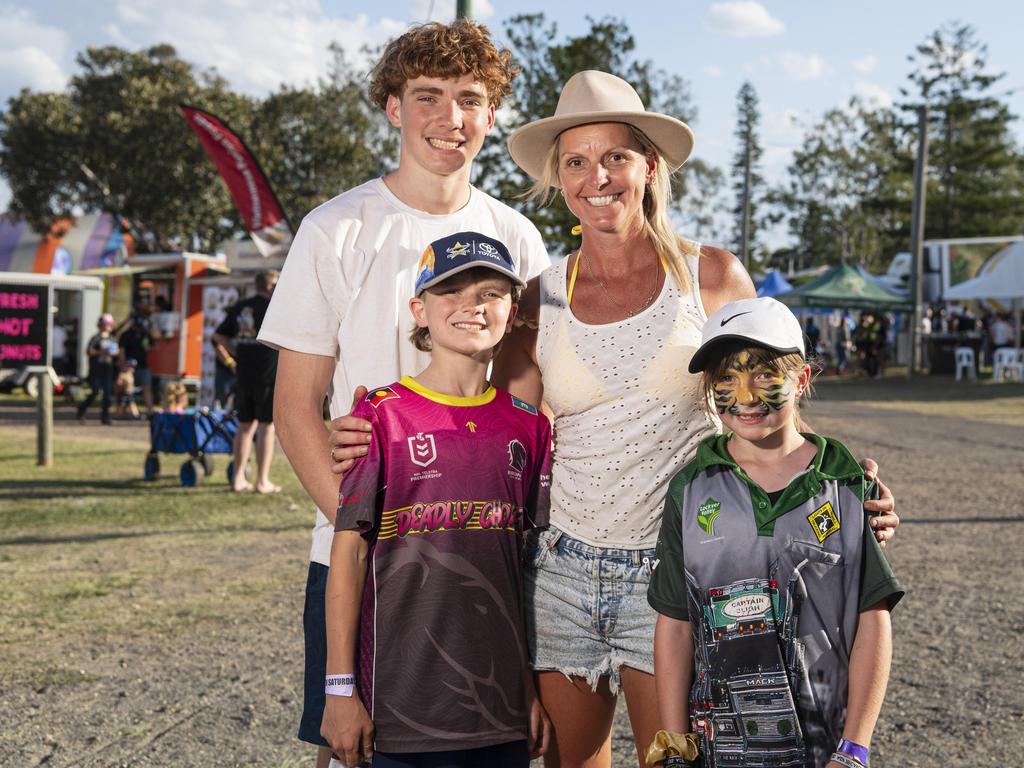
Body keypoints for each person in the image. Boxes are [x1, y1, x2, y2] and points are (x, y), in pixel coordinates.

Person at [331, 71, 899, 768]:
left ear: (649, 166)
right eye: (575, 162)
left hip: (682, 575)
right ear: (559, 180)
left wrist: (836, 484)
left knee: (685, 761)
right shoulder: (541, 298)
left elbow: (764, 402)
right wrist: (378, 430)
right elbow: (491, 422)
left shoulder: (711, 277)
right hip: (562, 574)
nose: (596, 177)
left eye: (615, 158)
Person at [255, 20, 550, 768]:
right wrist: (361, 535)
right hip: (361, 554)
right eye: (428, 97)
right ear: (393, 107)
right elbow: (296, 407)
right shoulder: (336, 229)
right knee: (351, 748)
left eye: (470, 100)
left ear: (491, 115)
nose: (451, 119)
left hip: (479, 554)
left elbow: (524, 401)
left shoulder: (516, 238)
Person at [322, 233, 552, 768]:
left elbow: (520, 574)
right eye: (452, 290)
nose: (472, 305)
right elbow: (349, 556)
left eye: (491, 293)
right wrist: (339, 690)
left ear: (512, 313)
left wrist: (528, 689)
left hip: (500, 712)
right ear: (419, 310)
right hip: (400, 708)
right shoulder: (380, 417)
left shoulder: (529, 426)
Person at [647, 297, 902, 768]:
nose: (744, 396)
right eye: (726, 378)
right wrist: (675, 742)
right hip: (718, 750)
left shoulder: (845, 482)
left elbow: (873, 617)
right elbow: (675, 625)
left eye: (765, 374)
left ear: (802, 379)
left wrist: (855, 748)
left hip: (822, 747)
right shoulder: (690, 488)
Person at [213, 270, 280, 494]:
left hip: (243, 373)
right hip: (267, 373)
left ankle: (238, 478)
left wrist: (236, 355)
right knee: (266, 426)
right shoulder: (274, 307)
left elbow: (219, 336)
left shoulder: (241, 306)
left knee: (244, 426)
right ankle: (262, 480)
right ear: (270, 286)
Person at [76, 313, 119, 424]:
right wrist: (101, 352)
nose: (109, 326)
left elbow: (116, 351)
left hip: (108, 369)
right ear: (101, 325)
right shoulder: (96, 338)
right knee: (95, 392)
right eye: (107, 324)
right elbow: (89, 351)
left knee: (107, 394)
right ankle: (81, 409)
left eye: (110, 324)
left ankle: (105, 417)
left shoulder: (112, 338)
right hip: (96, 370)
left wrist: (114, 353)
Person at [118, 313, 155, 415]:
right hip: (129, 368)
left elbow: (152, 346)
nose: (138, 329)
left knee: (146, 387)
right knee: (127, 390)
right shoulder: (125, 335)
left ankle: (150, 411)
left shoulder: (145, 334)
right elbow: (121, 351)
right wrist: (123, 366)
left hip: (143, 366)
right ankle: (126, 412)